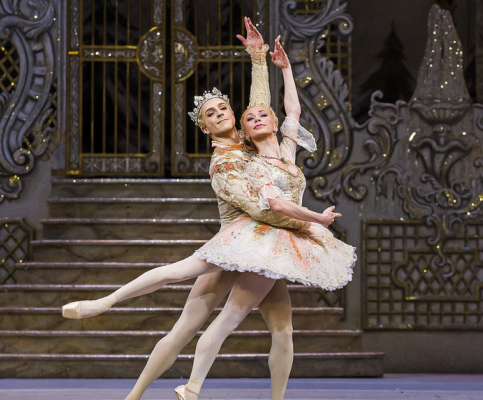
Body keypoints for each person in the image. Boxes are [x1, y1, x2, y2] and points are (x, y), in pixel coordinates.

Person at [63, 18, 338, 400]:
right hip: (239, 243)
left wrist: (258, 57)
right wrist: (306, 223)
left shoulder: (251, 141)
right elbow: (262, 209)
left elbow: (264, 107)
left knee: (283, 329)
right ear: (205, 128)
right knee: (185, 322)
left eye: (224, 107)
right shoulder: (224, 163)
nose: (221, 113)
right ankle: (117, 342)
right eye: (211, 113)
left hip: (269, 245)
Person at [171, 36, 355, 400]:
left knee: (283, 330)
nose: (256, 118)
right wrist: (314, 221)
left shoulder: (286, 149)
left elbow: (293, 111)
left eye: (262, 115)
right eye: (250, 118)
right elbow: (277, 207)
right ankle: (191, 387)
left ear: (273, 122)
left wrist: (284, 69)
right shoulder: (252, 164)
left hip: (284, 242)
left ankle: (272, 397)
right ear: (246, 131)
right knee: (230, 317)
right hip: (267, 239)